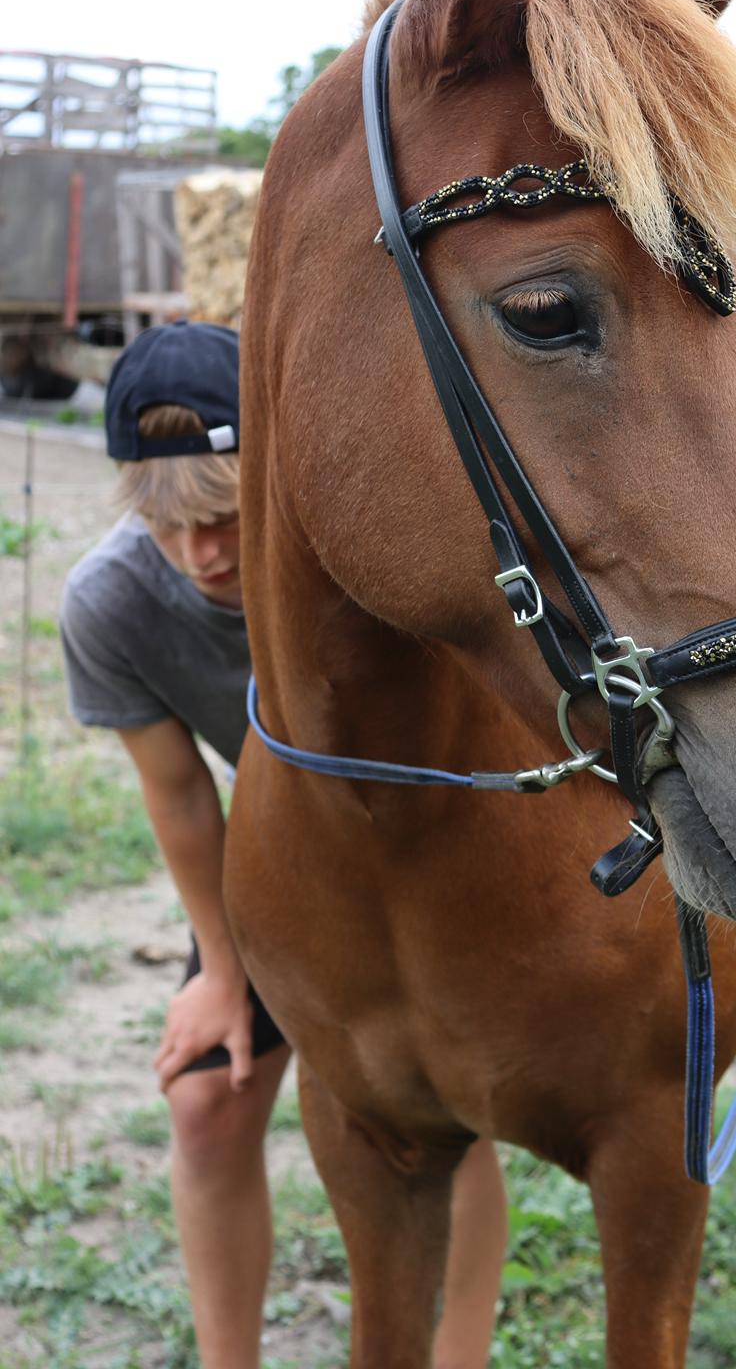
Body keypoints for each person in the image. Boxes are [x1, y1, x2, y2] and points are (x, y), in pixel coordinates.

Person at [59, 322, 508, 1369]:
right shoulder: (112, 603)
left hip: (428, 856)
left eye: (221, 515)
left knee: (442, 1121)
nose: (203, 554)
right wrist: (222, 971)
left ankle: (461, 1353)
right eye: (171, 527)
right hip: (283, 866)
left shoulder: (364, 549)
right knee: (205, 1101)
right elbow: (178, 800)